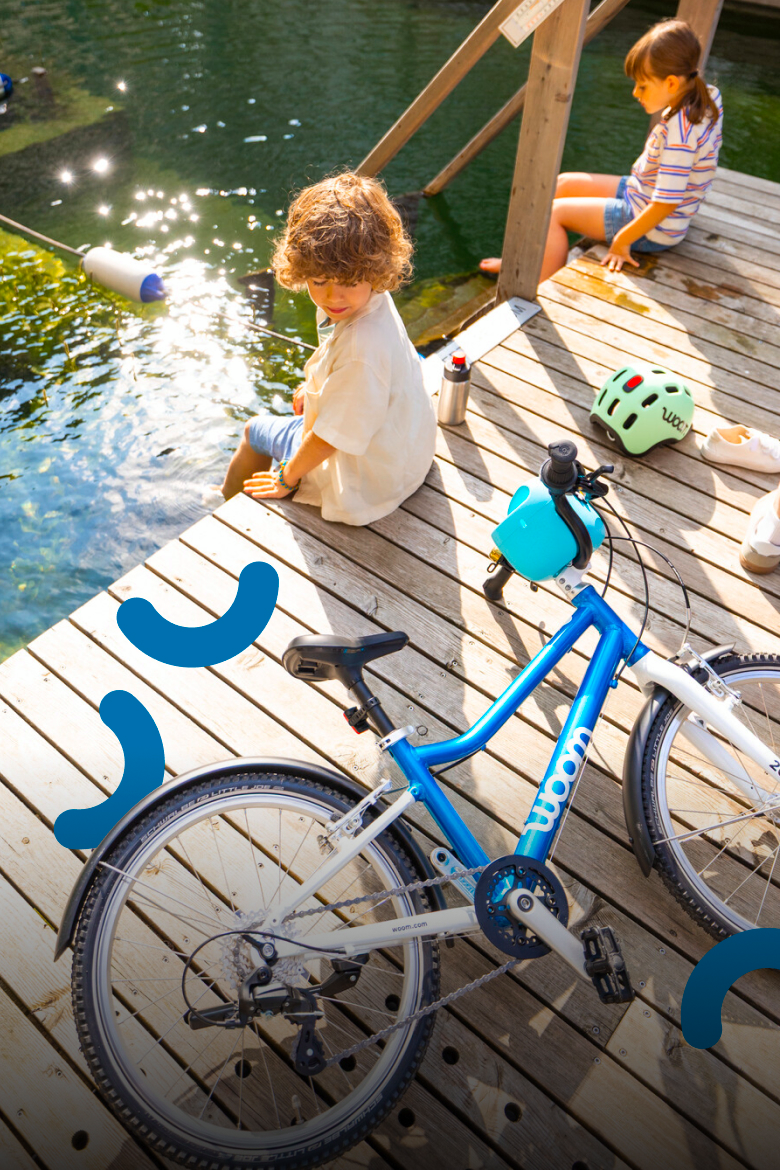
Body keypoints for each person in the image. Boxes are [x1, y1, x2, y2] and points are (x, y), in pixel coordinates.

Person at [221, 172, 437, 525]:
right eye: (318, 281)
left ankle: (223, 507)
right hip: (406, 456)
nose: (333, 298)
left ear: (374, 270)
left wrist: (286, 478)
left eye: (347, 283)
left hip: (368, 485)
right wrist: (313, 387)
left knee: (253, 432)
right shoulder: (370, 296)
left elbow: (327, 439)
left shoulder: (360, 351)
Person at [480, 18, 723, 280]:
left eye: (642, 85)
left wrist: (623, 239)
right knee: (559, 185)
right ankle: (520, 258)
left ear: (672, 83)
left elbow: (666, 202)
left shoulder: (680, 134)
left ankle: (534, 287)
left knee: (553, 213)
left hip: (653, 227)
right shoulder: (708, 95)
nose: (635, 93)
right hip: (641, 194)